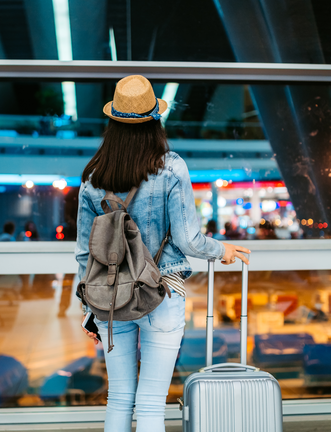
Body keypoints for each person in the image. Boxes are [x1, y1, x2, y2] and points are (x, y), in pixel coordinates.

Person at [74, 75, 250, 432]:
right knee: (151, 401)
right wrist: (222, 250)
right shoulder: (170, 167)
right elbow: (189, 240)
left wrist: (88, 308)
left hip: (111, 298)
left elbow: (83, 254)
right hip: (162, 292)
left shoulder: (93, 177)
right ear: (155, 119)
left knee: (120, 397)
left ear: (114, 122)